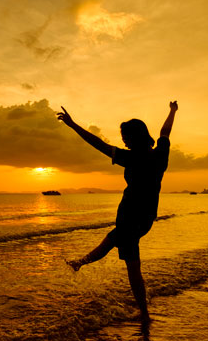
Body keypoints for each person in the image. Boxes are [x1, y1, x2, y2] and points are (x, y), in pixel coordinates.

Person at [57, 101, 178, 321]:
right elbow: (165, 131)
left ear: (133, 137)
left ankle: (144, 314)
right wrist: (172, 111)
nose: (122, 139)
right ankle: (80, 263)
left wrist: (73, 125)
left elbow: (98, 144)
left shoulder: (131, 157)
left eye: (124, 136)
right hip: (146, 216)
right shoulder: (160, 154)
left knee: (130, 263)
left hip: (132, 216)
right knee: (114, 240)